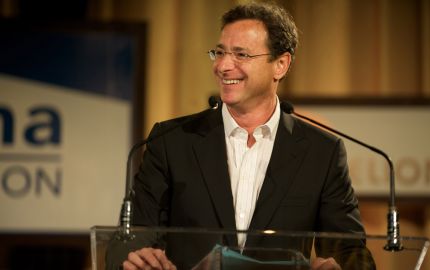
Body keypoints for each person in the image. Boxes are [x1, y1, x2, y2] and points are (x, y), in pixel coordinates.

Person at [120, 2, 374, 270]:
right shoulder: (171, 141)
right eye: (219, 52)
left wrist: (342, 267)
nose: (223, 66)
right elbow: (131, 237)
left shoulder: (321, 152)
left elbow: (350, 249)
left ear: (280, 64)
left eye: (241, 55)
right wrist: (135, 259)